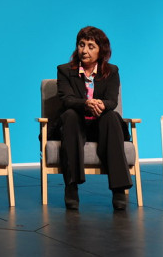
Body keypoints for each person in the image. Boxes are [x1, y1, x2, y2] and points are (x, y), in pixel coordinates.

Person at [51, 26, 132, 211]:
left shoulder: (111, 71)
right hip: (76, 124)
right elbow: (67, 99)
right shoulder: (65, 70)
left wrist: (101, 105)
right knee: (70, 115)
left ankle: (119, 189)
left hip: (100, 125)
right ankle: (71, 187)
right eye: (81, 45)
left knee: (111, 116)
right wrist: (87, 103)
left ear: (101, 50)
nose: (84, 50)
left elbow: (112, 100)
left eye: (90, 46)